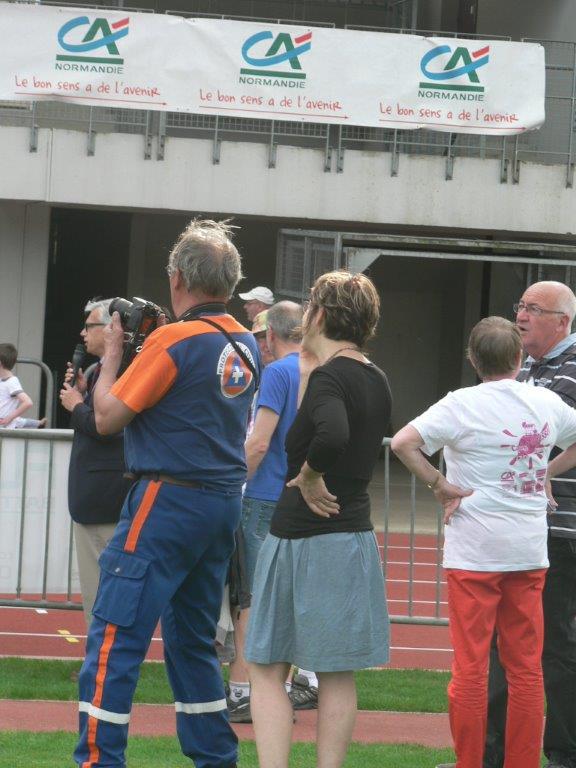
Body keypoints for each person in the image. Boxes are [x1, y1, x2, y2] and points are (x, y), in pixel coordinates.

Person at [73, 219, 260, 768]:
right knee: (193, 645)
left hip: (166, 499)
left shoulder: (172, 338)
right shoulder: (245, 339)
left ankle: (97, 761)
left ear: (178, 276)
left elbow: (106, 417)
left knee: (113, 639)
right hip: (220, 503)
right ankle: (214, 759)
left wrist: (113, 357)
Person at [392, 315, 576, 768]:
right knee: (526, 668)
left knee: (472, 667)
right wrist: (544, 474)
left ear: (472, 359)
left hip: (474, 551)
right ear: (519, 357)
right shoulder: (544, 400)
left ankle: (470, 761)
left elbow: (402, 443)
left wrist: (439, 483)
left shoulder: (460, 404)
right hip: (528, 550)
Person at [244, 271, 391, 768]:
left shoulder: (331, 375)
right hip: (350, 534)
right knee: (336, 672)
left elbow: (331, 434)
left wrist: (308, 474)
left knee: (265, 666)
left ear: (321, 315)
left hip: (301, 537)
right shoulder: (374, 375)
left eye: (310, 306)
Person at [227, 300, 304, 723]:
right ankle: (280, 691)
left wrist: (234, 483)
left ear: (270, 336)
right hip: (299, 499)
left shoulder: (276, 373)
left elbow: (259, 442)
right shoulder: (320, 369)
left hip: (263, 496)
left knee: (251, 600)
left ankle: (244, 689)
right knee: (287, 603)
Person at [59, 298, 132, 626]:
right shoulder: (100, 370)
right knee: (98, 595)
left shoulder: (124, 369)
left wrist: (77, 405)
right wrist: (85, 395)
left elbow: (108, 429)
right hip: (95, 498)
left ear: (109, 328)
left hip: (105, 500)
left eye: (89, 325)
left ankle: (100, 667)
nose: (82, 332)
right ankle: (98, 664)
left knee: (103, 595)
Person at [0, 343, 46, 429]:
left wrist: (9, 418)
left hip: (5, 430)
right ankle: (39, 423)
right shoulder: (3, 381)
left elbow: (27, 402)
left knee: (17, 421)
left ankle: (39, 423)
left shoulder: (11, 381)